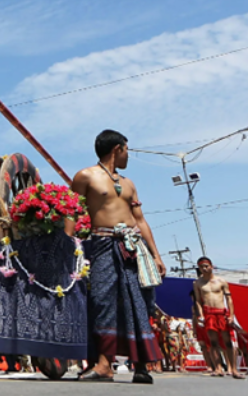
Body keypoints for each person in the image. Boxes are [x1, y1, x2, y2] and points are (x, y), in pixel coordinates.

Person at [72, 130, 166, 384]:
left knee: (137, 301)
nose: (128, 155)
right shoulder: (85, 176)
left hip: (133, 247)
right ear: (117, 148)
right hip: (102, 244)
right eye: (127, 150)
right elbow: (72, 213)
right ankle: (104, 365)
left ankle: (142, 366)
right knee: (103, 301)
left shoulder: (129, 184)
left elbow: (140, 220)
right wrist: (69, 245)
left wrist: (156, 255)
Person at [192, 257, 245, 379]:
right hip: (208, 313)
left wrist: (231, 315)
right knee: (213, 342)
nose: (204, 269)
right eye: (201, 267)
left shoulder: (221, 281)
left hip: (221, 312)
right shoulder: (197, 283)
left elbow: (229, 299)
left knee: (228, 342)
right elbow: (198, 301)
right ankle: (218, 368)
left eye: (206, 266)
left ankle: (234, 369)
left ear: (211, 266)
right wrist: (200, 315)